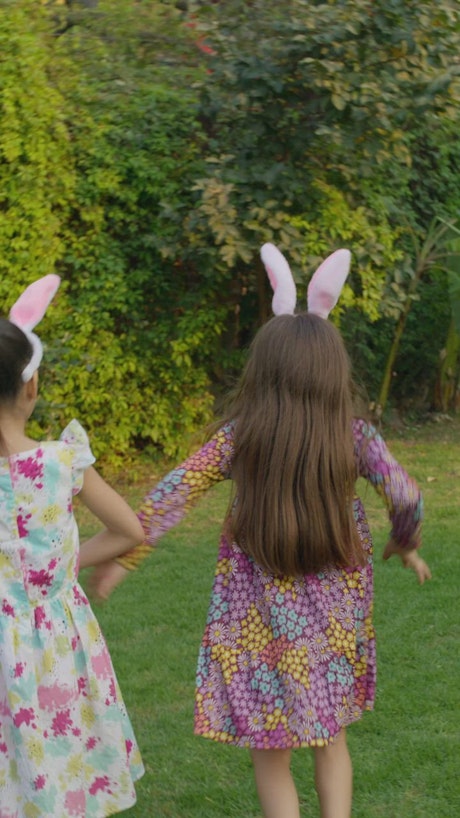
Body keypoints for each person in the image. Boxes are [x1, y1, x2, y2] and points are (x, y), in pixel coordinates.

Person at [91, 245, 431, 818]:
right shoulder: (353, 436)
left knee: (270, 754)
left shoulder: (239, 436)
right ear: (333, 372)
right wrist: (405, 540)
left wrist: (126, 557)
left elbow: (175, 489)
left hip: (256, 627)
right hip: (334, 623)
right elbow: (406, 494)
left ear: (263, 369)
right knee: (330, 738)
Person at [0, 275, 145, 816]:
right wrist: (60, 570)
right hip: (55, 643)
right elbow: (129, 530)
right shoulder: (62, 463)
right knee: (62, 768)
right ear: (30, 386)